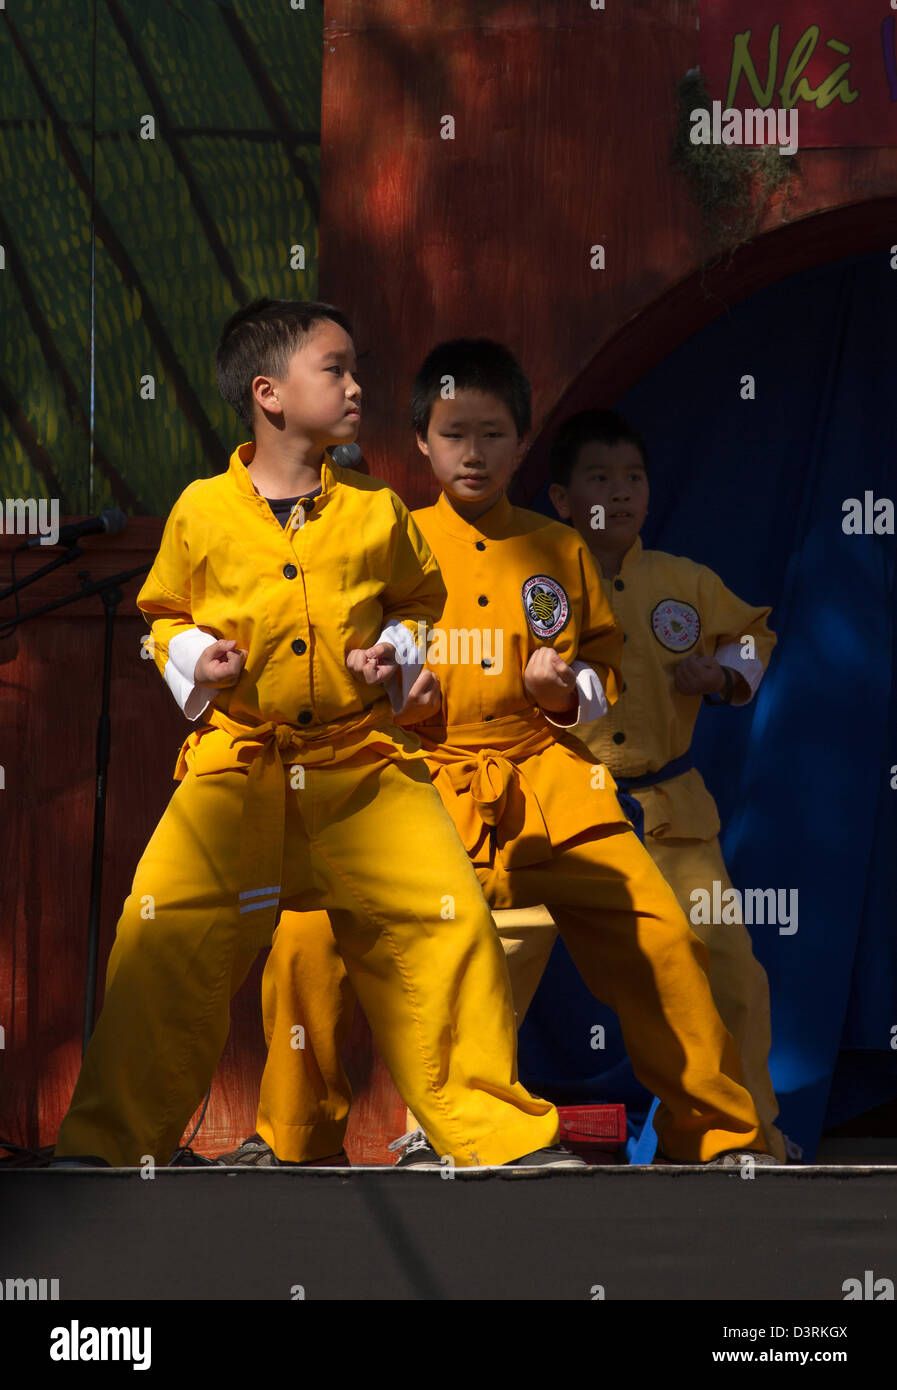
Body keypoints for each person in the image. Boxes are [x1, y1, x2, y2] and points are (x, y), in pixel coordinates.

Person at [221, 339, 778, 1170]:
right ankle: (294, 1139)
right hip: (411, 775)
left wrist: (564, 691)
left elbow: (602, 678)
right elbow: (336, 667)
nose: (472, 454)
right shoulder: (380, 540)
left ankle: (721, 1137)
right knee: (308, 935)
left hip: (547, 774)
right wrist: (387, 696)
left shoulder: (558, 551)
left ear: (522, 444)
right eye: (453, 434)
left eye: (492, 435)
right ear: (421, 441)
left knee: (664, 936)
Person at [52, 301, 566, 1171]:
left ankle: (492, 1136)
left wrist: (393, 657)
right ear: (270, 394)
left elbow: (417, 602)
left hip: (364, 768)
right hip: (236, 768)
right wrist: (194, 661)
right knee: (158, 934)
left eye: (354, 369)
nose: (358, 385)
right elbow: (162, 612)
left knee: (450, 927)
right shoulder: (200, 510)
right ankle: (111, 1146)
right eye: (336, 369)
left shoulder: (377, 511)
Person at [543, 408, 787, 1161]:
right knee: (493, 951)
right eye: (598, 479)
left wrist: (723, 674)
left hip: (671, 815)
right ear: (560, 497)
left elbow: (752, 634)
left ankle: (741, 1138)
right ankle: (452, 1122)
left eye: (632, 479)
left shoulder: (681, 581)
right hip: (554, 811)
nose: (618, 494)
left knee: (728, 971)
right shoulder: (534, 583)